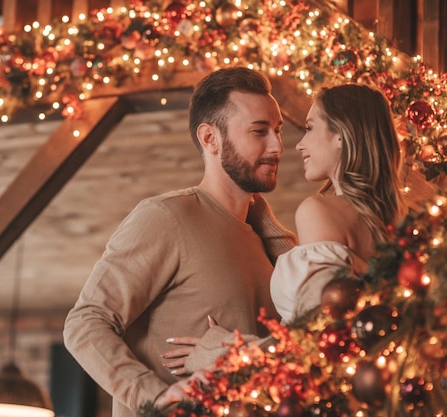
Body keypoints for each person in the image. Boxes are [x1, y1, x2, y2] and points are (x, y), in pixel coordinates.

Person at [63, 67, 297, 417]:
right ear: (210, 138)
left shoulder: (263, 241)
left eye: (277, 131)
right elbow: (85, 322)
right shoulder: (166, 217)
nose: (278, 146)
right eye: (259, 131)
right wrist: (153, 397)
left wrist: (262, 216)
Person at [157, 82, 407, 405]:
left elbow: (315, 342)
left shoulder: (319, 211)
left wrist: (221, 352)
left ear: (341, 135)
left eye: (309, 128)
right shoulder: (396, 225)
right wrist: (265, 221)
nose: (297, 145)